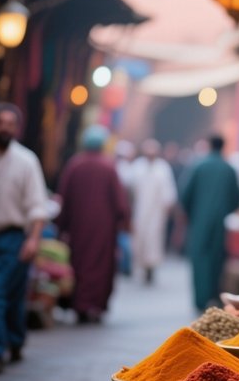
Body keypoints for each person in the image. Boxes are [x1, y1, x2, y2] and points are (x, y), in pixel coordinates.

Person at [56, 124, 130, 324]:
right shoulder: (108, 167)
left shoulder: (74, 165)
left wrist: (61, 226)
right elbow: (120, 203)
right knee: (100, 266)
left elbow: (64, 197)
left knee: (80, 264)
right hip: (103, 229)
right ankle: (95, 305)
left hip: (78, 227)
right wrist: (124, 223)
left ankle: (80, 304)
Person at [0, 103, 49, 373]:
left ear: (17, 127)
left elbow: (37, 205)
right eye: (0, 122)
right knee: (8, 294)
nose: (4, 128)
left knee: (1, 292)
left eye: (10, 123)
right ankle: (14, 341)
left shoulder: (26, 160)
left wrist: (33, 239)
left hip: (13, 237)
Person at [180, 135, 239, 311]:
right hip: (221, 224)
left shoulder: (198, 166)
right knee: (217, 259)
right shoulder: (229, 169)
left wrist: (192, 214)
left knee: (199, 259)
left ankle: (200, 299)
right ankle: (213, 296)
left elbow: (185, 195)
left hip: (199, 221)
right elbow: (236, 197)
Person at [130, 138, 177, 284]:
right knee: (140, 240)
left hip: (157, 212)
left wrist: (168, 207)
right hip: (140, 210)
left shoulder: (163, 168)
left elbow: (168, 191)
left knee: (153, 240)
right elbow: (129, 189)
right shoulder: (137, 166)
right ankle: (142, 268)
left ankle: (151, 268)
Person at [114, 139, 136, 277]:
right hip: (123, 208)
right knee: (123, 238)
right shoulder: (127, 169)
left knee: (122, 238)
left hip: (120, 208)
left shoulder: (123, 168)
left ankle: (124, 265)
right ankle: (125, 265)